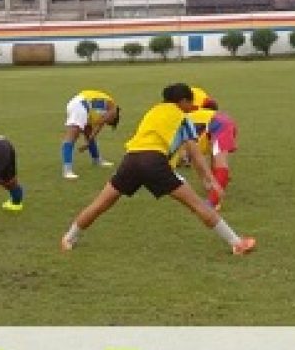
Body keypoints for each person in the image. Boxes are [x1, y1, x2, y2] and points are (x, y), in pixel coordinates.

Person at [61, 83, 256, 256]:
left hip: (130, 160)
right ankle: (237, 243)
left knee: (100, 204)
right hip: (154, 162)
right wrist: (211, 181)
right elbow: (196, 154)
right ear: (182, 101)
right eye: (190, 102)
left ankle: (69, 238)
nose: (192, 106)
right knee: (197, 205)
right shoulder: (182, 118)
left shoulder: (152, 111)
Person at [61, 89, 120, 179]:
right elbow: (100, 124)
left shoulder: (104, 107)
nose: (107, 123)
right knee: (71, 137)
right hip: (80, 106)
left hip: (79, 104)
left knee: (88, 132)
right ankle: (67, 170)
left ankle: (96, 159)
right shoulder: (113, 110)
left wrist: (88, 141)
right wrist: (87, 142)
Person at [192, 97, 239, 210]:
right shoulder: (211, 115)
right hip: (226, 124)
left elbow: (196, 158)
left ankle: (212, 202)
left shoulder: (193, 118)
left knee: (220, 163)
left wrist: (205, 180)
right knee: (217, 157)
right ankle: (216, 186)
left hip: (220, 125)